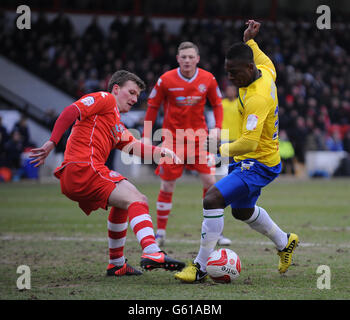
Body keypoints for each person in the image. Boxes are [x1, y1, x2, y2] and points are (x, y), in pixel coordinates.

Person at [175, 20, 299, 283]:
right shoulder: (265, 68)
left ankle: (199, 267)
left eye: (234, 72)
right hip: (252, 159)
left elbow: (249, 143)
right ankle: (284, 241)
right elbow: (256, 52)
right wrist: (249, 39)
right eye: (227, 72)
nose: (230, 78)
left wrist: (217, 148)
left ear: (249, 68)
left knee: (212, 199)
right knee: (242, 211)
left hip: (258, 161)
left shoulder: (257, 97)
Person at [30, 70, 185, 277]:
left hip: (83, 173)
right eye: (130, 92)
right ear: (115, 89)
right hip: (83, 168)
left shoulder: (117, 124)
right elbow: (70, 111)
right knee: (137, 199)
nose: (134, 99)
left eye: (137, 95)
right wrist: (52, 142)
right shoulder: (104, 99)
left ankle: (117, 264)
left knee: (126, 202)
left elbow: (134, 147)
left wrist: (162, 152)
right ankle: (152, 251)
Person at [142, 41, 231, 247]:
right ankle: (161, 233)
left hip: (200, 138)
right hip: (172, 139)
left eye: (191, 57)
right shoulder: (166, 80)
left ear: (198, 59)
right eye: (184, 57)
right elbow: (153, 106)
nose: (188, 60)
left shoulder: (208, 79)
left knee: (210, 183)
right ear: (178, 59)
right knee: (167, 184)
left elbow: (217, 104)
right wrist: (146, 135)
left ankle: (213, 233)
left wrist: (217, 127)